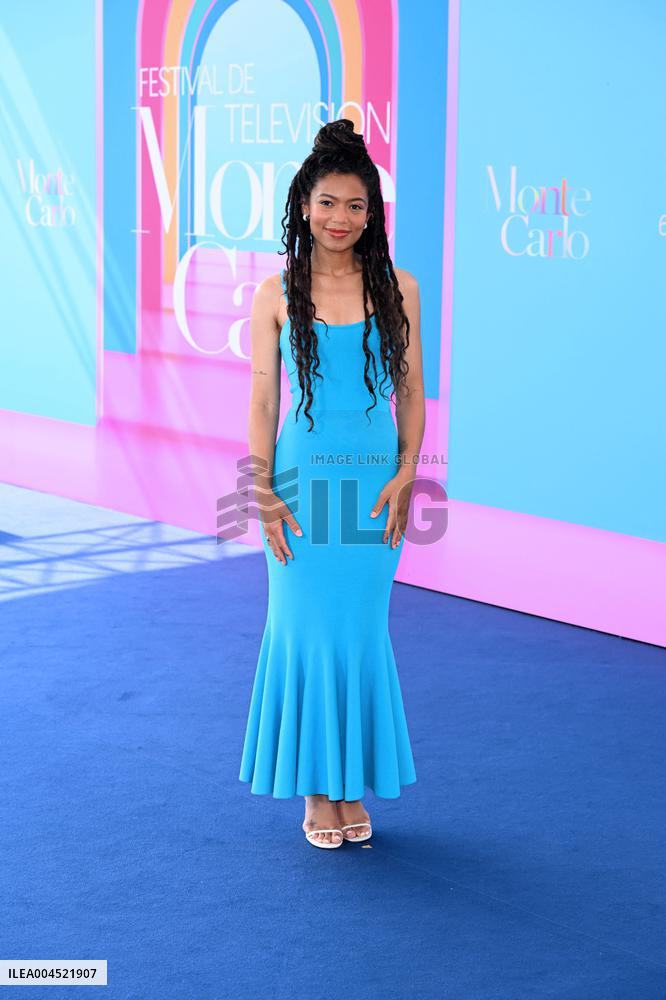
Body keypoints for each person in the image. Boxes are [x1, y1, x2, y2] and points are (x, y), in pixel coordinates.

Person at [238, 119, 425, 849]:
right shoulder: (277, 293)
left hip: (376, 484)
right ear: (303, 205)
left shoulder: (401, 287)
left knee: (359, 629)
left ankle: (349, 785)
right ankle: (317, 792)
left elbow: (411, 392)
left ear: (371, 212)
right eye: (327, 203)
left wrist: (409, 474)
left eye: (354, 205)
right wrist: (261, 488)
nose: (340, 218)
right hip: (301, 482)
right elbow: (262, 398)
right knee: (304, 629)